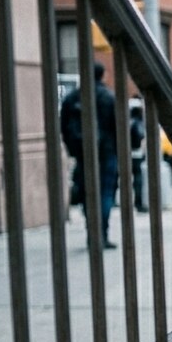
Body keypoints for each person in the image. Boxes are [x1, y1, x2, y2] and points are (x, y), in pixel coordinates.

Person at [59, 60, 119, 248]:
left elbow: (63, 128)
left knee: (87, 193)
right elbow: (119, 127)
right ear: (102, 75)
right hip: (107, 153)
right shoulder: (109, 97)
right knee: (106, 192)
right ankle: (102, 232)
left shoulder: (72, 98)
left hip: (83, 154)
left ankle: (91, 233)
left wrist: (73, 150)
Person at [128, 99, 147, 212]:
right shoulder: (137, 123)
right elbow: (140, 136)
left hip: (129, 154)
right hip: (137, 154)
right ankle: (138, 203)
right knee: (138, 180)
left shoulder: (129, 122)